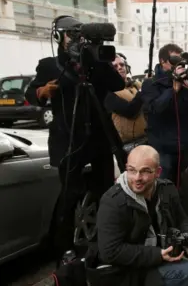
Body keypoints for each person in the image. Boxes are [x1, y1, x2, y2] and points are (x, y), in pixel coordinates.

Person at [25, 15, 125, 261]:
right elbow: (30, 93)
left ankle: (106, 241)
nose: (76, 41)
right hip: (67, 139)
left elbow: (116, 84)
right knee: (70, 195)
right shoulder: (49, 65)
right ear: (59, 36)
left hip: (98, 138)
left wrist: (101, 61)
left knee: (104, 190)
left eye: (79, 35)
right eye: (71, 35)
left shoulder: (95, 63)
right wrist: (41, 91)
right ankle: (64, 249)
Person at [96, 145, 188, 286]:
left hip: (159, 255)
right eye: (131, 170)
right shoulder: (113, 203)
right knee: (187, 272)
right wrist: (157, 255)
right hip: (129, 269)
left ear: (158, 172)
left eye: (145, 172)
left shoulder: (166, 189)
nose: (137, 178)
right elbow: (109, 252)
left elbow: (182, 219)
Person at [141, 43, 188, 186]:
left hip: (184, 147)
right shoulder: (150, 84)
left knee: (184, 187)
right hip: (162, 150)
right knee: (162, 189)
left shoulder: (186, 82)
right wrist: (173, 90)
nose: (180, 65)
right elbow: (155, 109)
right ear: (163, 61)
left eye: (181, 61)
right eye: (174, 60)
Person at [104, 53, 146, 144]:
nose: (120, 67)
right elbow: (129, 111)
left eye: (122, 64)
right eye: (115, 66)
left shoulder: (137, 85)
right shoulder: (108, 93)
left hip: (147, 137)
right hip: (127, 143)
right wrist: (142, 92)